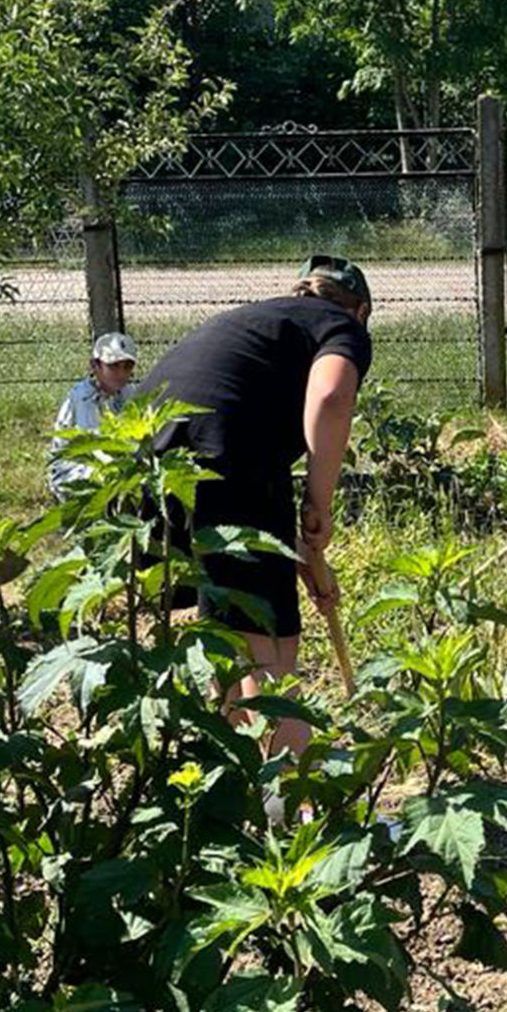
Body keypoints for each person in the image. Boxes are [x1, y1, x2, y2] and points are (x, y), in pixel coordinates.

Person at [138, 255, 372, 765]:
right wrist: (320, 501)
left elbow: (241, 413)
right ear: (362, 311)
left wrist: (305, 556)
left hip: (149, 457)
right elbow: (331, 397)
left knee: (238, 632)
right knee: (264, 645)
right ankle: (289, 797)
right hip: (228, 455)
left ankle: (234, 787)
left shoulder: (263, 322)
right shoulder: (341, 327)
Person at [48, 332, 139, 499]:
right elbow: (95, 445)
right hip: (75, 468)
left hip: (114, 461)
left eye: (127, 367)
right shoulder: (84, 397)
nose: (121, 373)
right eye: (113, 366)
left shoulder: (128, 392)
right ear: (95, 366)